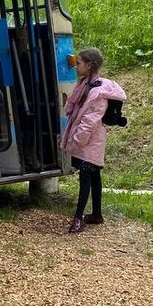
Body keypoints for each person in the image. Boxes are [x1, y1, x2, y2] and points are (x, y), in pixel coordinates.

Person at [60, 47, 126, 234]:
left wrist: (76, 140)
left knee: (86, 176)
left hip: (90, 139)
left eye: (79, 63)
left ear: (89, 65)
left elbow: (89, 121)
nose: (76, 66)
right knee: (95, 175)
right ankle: (97, 214)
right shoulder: (86, 85)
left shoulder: (97, 92)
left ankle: (78, 219)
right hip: (90, 138)